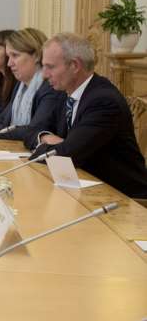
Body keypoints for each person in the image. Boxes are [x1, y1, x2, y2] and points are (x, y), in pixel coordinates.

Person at [27, 33, 147, 199]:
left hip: (123, 198)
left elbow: (66, 156)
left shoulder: (104, 101)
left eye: (50, 67)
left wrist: (50, 147)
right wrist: (45, 137)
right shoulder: (64, 92)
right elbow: (32, 130)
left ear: (75, 66)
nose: (44, 74)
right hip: (84, 186)